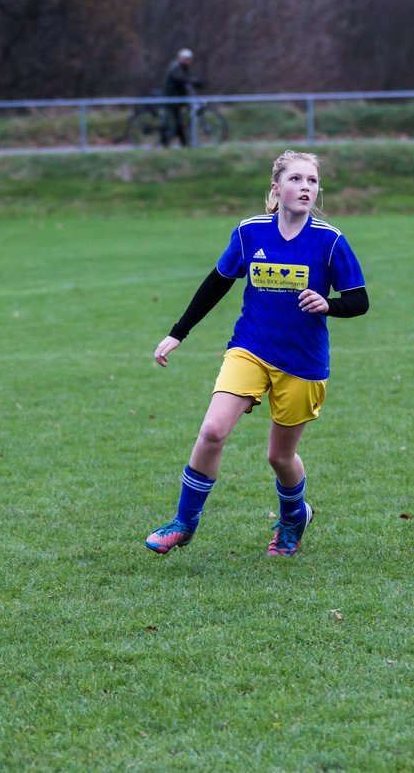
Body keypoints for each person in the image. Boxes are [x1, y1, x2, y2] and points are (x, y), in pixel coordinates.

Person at [146, 150, 370, 557]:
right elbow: (217, 282)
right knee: (213, 430)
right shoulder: (250, 233)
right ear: (276, 187)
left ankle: (292, 519)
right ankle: (183, 522)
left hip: (302, 362)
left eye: (312, 181)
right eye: (296, 179)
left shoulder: (330, 241)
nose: (306, 188)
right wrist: (179, 332)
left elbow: (359, 300)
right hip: (249, 349)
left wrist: (328, 304)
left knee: (280, 457)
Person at [160, 48, 203, 147]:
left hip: (178, 98)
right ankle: (172, 141)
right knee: (175, 121)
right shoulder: (175, 68)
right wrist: (194, 81)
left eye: (189, 59)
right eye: (185, 58)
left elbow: (185, 81)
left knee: (179, 120)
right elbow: (181, 79)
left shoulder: (184, 69)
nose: (188, 61)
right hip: (171, 98)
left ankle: (183, 143)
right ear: (180, 58)